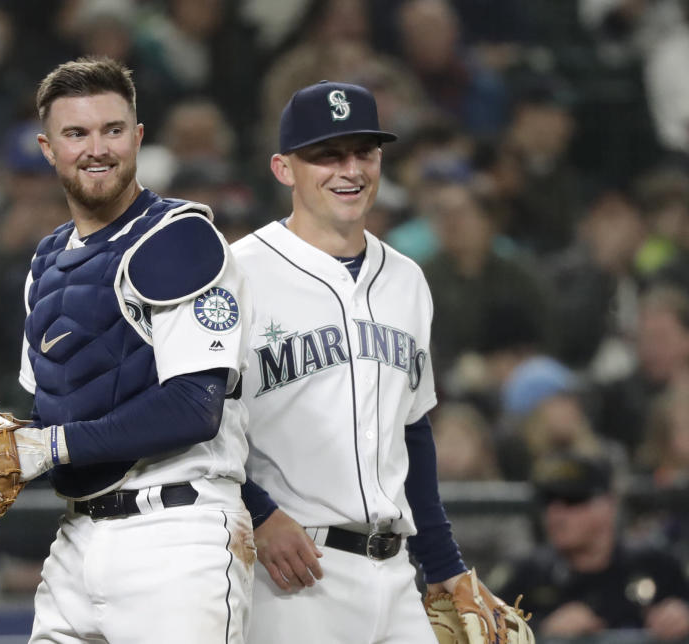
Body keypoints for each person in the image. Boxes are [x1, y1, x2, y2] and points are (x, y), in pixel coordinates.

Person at [9, 57, 254, 643]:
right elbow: (57, 411)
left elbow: (195, 407)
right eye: (76, 134)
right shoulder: (46, 264)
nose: (97, 149)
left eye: (112, 130)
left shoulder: (180, 240)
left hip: (177, 536)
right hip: (76, 540)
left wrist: (50, 446)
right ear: (48, 148)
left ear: (138, 137)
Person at [232, 80, 481, 643]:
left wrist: (443, 563)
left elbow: (411, 430)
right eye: (327, 155)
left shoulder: (408, 280)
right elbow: (200, 425)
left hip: (394, 574)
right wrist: (259, 513)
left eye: (363, 152)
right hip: (290, 572)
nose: (350, 169)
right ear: (283, 168)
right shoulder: (236, 273)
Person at [497, 451, 689, 641]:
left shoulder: (657, 566)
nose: (556, 514)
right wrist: (540, 632)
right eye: (548, 501)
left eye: (573, 500)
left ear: (609, 505)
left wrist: (683, 616)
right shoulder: (526, 574)